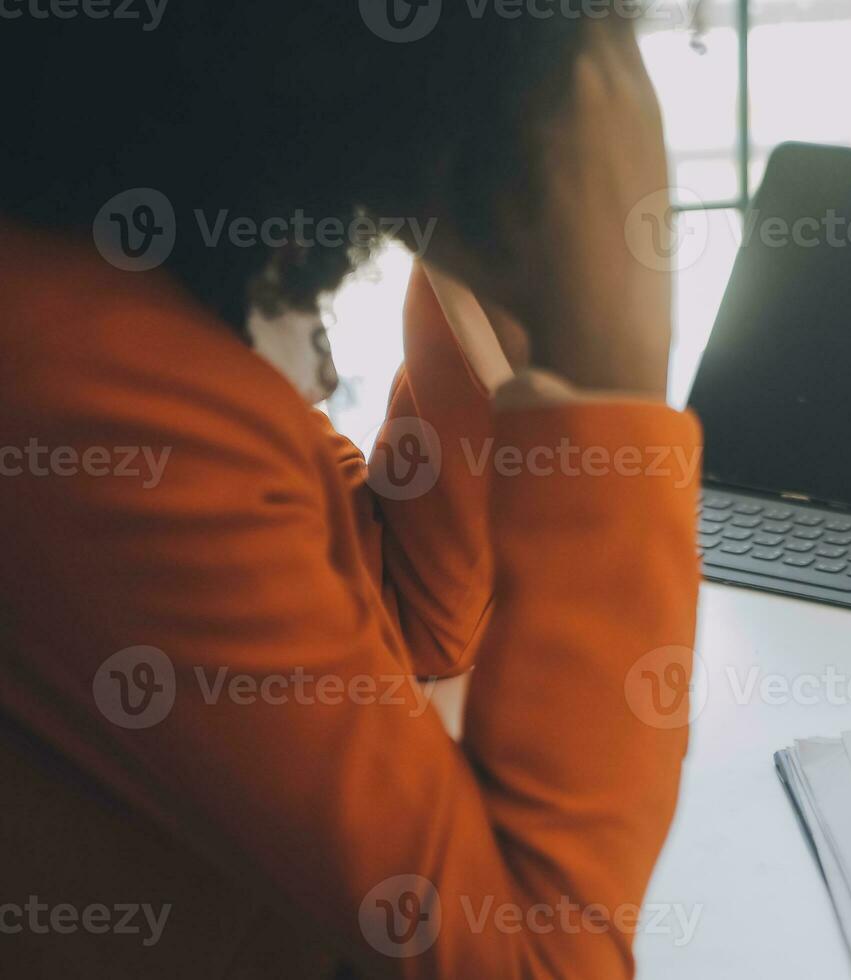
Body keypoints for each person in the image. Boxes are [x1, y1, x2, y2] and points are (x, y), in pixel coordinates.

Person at [0, 5, 699, 977]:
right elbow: (538, 959)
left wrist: (491, 286)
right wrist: (612, 372)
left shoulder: (103, 287)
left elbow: (402, 612)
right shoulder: (90, 390)